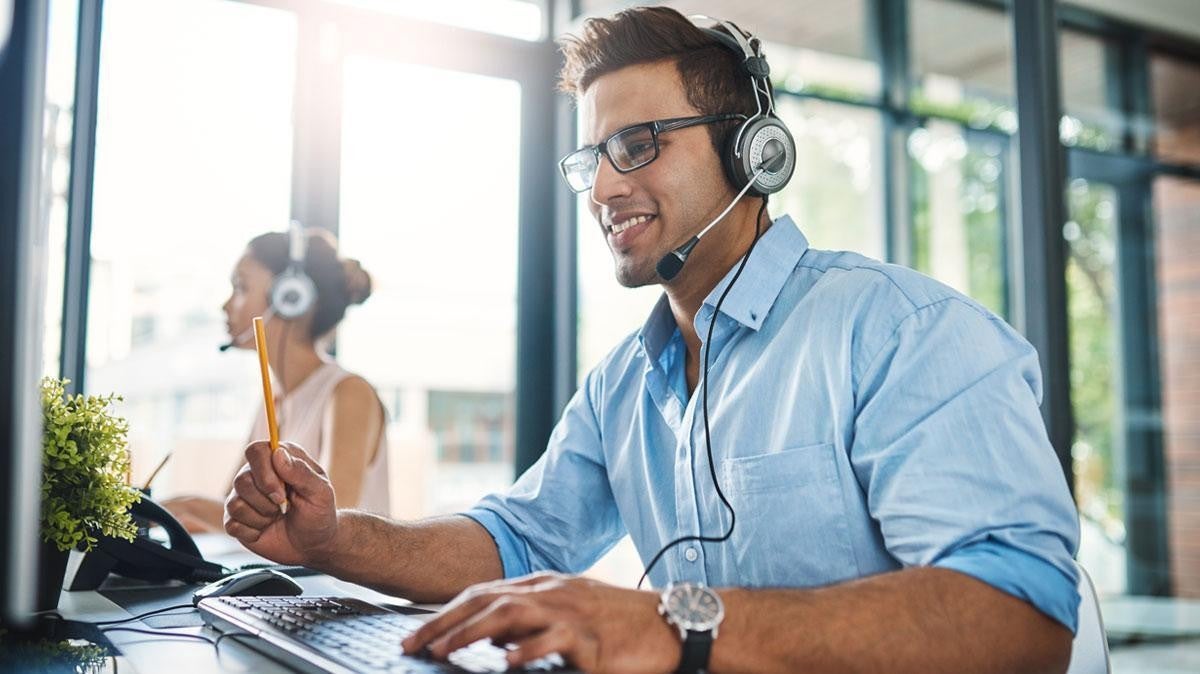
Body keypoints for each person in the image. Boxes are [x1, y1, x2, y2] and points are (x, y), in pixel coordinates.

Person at [224, 8, 1079, 673]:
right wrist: (336, 542)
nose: (601, 185)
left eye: (636, 145)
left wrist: (671, 624)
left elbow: (1020, 619)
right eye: (592, 156)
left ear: (754, 155)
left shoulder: (902, 333)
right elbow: (515, 541)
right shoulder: (624, 384)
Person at [164, 228, 390, 533]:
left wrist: (187, 506)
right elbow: (234, 511)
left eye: (241, 287)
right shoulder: (275, 400)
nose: (226, 305)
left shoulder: (349, 394)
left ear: (289, 297)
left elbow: (331, 523)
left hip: (337, 583)